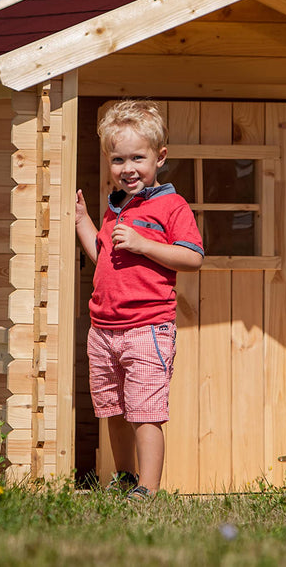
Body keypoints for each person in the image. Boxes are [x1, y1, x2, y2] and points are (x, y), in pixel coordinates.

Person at [74, 100, 203, 501]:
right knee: (112, 409)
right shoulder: (116, 208)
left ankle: (148, 489)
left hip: (147, 329)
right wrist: (83, 223)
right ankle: (126, 477)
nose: (127, 167)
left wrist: (145, 244)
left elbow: (193, 257)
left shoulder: (170, 205)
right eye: (118, 159)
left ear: (159, 158)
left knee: (145, 413)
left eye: (137, 157)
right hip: (104, 330)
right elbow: (106, 264)